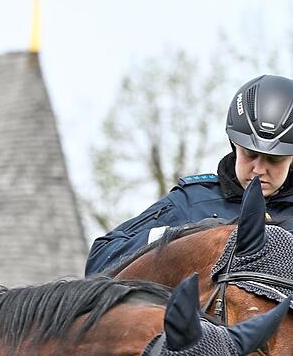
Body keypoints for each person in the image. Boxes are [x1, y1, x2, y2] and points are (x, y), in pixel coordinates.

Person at [86, 74, 293, 276]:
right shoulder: (190, 201)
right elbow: (100, 261)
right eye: (250, 153)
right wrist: (191, 236)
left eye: (274, 159)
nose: (258, 169)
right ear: (235, 145)